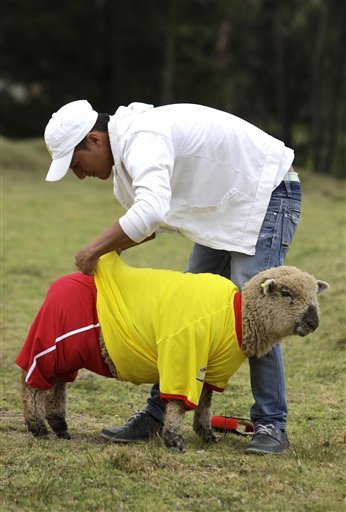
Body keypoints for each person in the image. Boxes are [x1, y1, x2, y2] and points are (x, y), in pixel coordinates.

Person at [44, 99, 302, 454]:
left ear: (94, 140)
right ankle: (159, 413)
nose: (78, 173)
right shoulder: (124, 162)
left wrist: (93, 250)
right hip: (221, 209)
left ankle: (272, 424)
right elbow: (155, 220)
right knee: (186, 308)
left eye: (76, 163)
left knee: (255, 311)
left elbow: (149, 213)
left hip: (269, 192)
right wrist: (110, 251)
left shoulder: (141, 139)